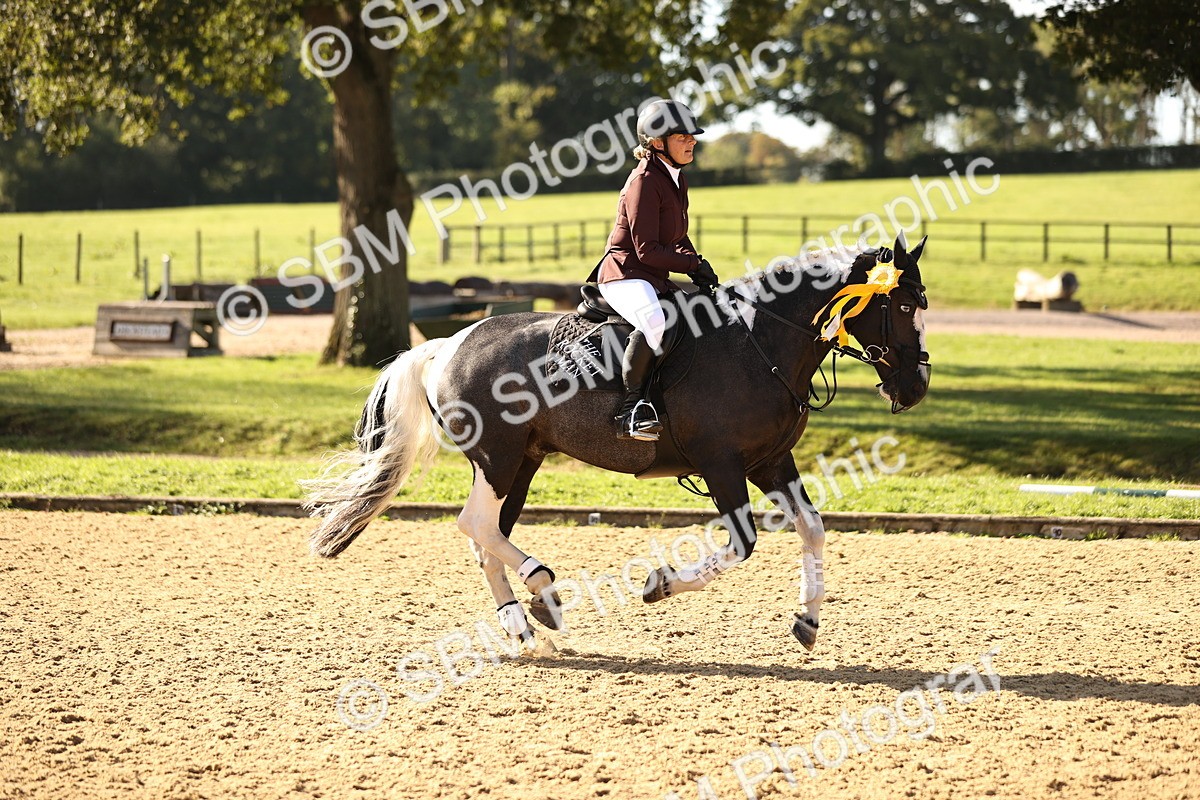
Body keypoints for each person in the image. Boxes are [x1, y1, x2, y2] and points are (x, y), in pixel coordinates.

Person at [587, 99, 720, 441]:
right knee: (656, 320)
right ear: (657, 143)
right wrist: (691, 265)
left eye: (693, 136)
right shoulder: (644, 181)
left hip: (650, 274)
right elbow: (646, 250)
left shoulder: (676, 179)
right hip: (624, 274)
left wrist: (698, 265)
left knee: (699, 314)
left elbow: (678, 236)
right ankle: (631, 409)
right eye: (682, 137)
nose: (692, 141)